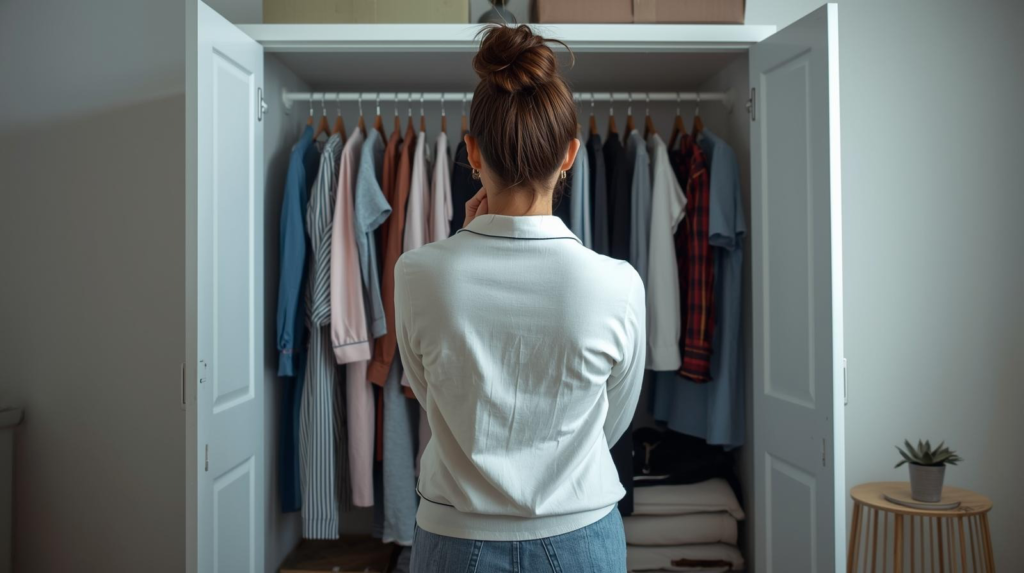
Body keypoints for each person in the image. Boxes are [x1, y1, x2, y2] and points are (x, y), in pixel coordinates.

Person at [393, 24, 646, 573]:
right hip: (581, 534)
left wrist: (460, 248)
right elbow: (613, 416)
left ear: (472, 152)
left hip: (453, 535)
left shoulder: (416, 274)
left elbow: (429, 391)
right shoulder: (620, 284)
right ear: (570, 155)